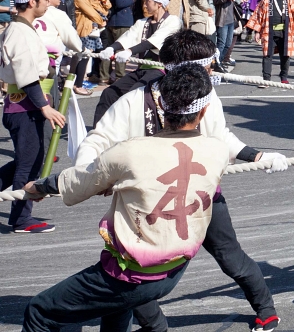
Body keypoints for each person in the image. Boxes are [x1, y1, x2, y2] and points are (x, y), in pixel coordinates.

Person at [74, 29, 289, 331]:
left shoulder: (206, 95)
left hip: (201, 195)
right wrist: (88, 174)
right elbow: (98, 140)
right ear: (187, 69)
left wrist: (257, 156)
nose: (213, 71)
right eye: (209, 66)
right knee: (137, 266)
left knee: (230, 257)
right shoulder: (135, 101)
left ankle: (265, 308)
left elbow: (220, 136)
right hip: (150, 201)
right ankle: (156, 326)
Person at [21, 67, 230, 332]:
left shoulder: (129, 153)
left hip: (130, 273)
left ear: (161, 106)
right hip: (174, 267)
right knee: (116, 311)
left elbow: (79, 183)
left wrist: (40, 186)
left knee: (40, 310)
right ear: (203, 111)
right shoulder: (218, 151)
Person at [0, 0, 66, 233]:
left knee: (25, 161)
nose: (48, 3)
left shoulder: (21, 28)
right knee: (29, 162)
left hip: (25, 104)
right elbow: (26, 75)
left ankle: (20, 213)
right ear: (31, 2)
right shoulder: (19, 31)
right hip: (25, 105)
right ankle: (20, 219)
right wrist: (44, 106)